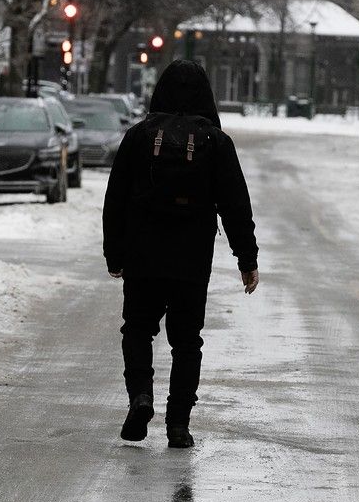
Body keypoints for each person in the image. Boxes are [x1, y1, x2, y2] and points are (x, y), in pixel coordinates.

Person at [103, 60, 258, 449]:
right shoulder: (216, 143)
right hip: (191, 260)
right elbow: (235, 205)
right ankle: (178, 425)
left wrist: (115, 253)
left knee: (138, 329)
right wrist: (247, 259)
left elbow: (116, 199)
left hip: (143, 254)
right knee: (187, 342)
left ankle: (141, 396)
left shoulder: (138, 137)